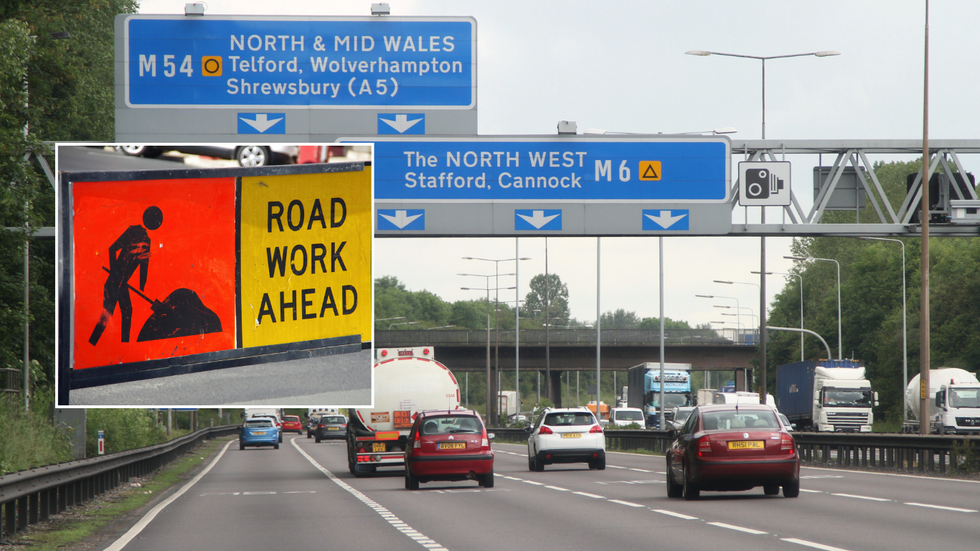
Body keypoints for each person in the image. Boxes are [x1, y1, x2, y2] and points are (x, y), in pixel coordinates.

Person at [89, 206, 163, 345]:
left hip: (122, 284)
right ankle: (94, 342)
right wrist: (114, 271)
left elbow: (144, 268)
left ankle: (125, 346)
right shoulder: (132, 231)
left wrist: (142, 286)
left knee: (127, 312)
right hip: (113, 282)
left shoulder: (147, 242)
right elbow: (112, 249)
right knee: (107, 313)